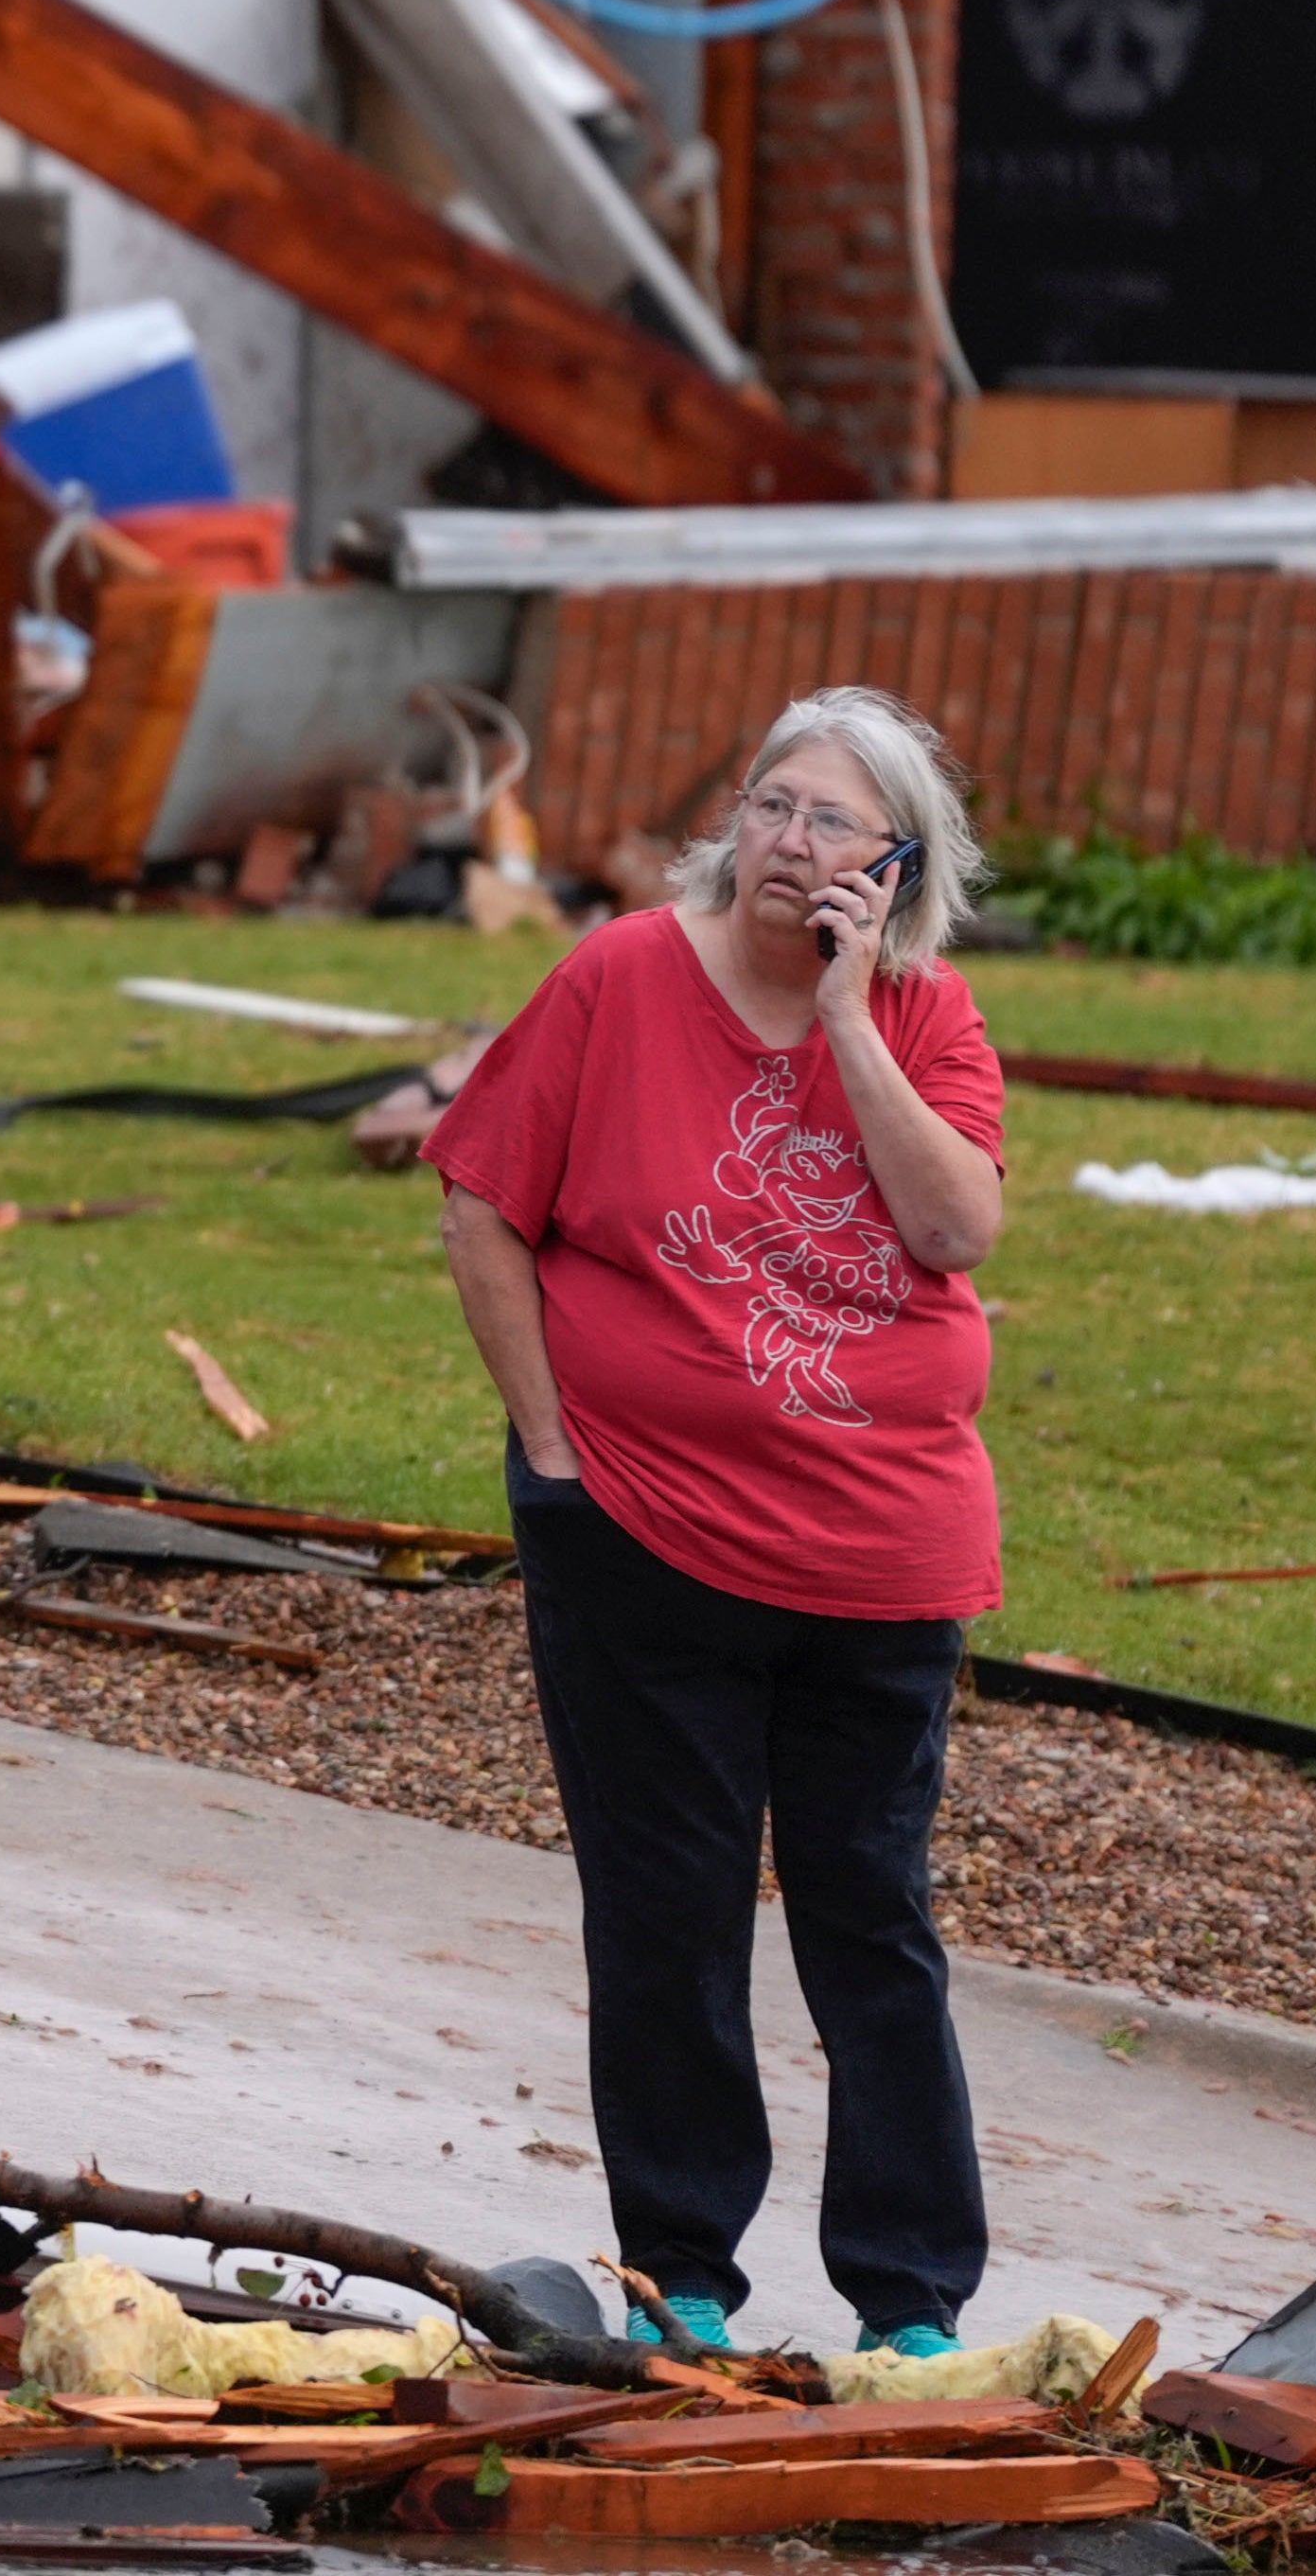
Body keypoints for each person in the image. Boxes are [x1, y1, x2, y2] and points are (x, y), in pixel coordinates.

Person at [418, 686, 1008, 2364]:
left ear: (897, 871)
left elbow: (953, 1225)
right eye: (770, 806)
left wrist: (850, 1020)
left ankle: (910, 2293)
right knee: (667, 1910)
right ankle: (682, 2267)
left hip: (880, 1557)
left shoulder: (927, 1016)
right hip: (644, 1536)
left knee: (868, 1914)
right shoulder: (617, 976)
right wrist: (551, 1451)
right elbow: (483, 1205)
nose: (791, 844)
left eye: (833, 825)